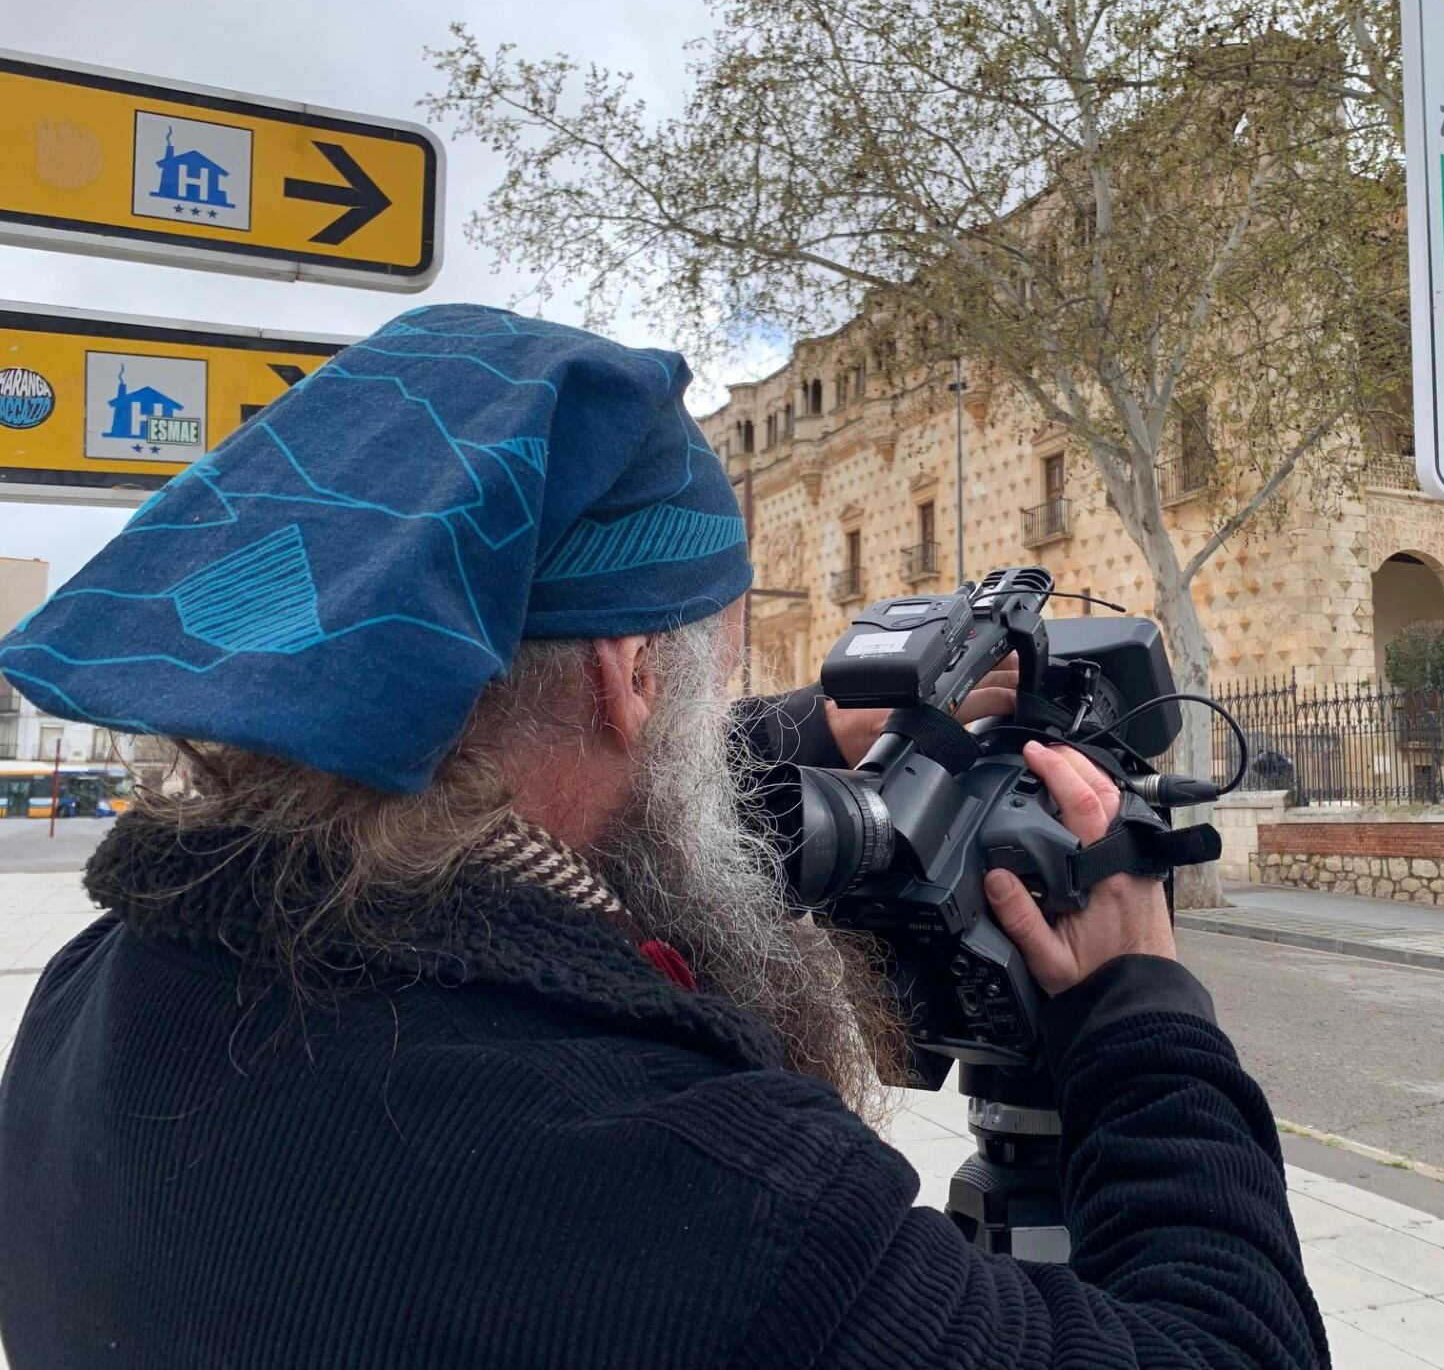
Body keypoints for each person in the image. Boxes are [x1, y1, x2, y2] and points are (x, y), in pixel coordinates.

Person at [0, 304, 1326, 1369]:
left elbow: (544, 853)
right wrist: (1141, 1019)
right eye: (703, 670)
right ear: (632, 673)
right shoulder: (711, 1202)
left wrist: (813, 735)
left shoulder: (92, 1002)